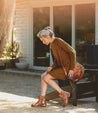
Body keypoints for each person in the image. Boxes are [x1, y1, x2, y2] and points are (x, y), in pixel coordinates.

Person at [31, 26, 76, 107]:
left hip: (66, 69)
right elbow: (58, 59)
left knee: (46, 78)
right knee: (43, 76)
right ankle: (42, 100)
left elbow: (72, 52)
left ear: (48, 37)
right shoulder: (52, 44)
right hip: (60, 67)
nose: (43, 42)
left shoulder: (58, 41)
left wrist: (71, 69)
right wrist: (52, 67)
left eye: (44, 40)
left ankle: (63, 93)